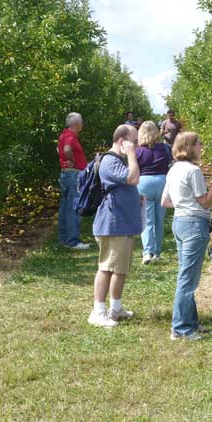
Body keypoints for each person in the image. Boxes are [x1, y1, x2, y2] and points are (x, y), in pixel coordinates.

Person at [162, 132, 212, 341]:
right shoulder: (193, 171)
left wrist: (184, 203)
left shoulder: (173, 170)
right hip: (193, 225)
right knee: (188, 279)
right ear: (189, 146)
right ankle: (180, 328)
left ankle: (190, 322)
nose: (201, 147)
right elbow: (206, 202)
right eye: (199, 144)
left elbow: (165, 201)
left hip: (179, 223)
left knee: (186, 274)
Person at [88, 125, 142, 328]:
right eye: (134, 142)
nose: (136, 146)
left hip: (123, 224)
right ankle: (98, 311)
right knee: (107, 268)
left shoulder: (118, 160)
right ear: (122, 141)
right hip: (112, 224)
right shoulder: (110, 161)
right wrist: (131, 154)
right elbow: (133, 178)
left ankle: (116, 307)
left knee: (120, 269)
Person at [136, 121, 172, 265]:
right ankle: (157, 252)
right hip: (163, 182)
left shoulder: (138, 151)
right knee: (159, 220)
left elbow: (134, 169)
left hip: (144, 183)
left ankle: (147, 252)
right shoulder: (164, 147)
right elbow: (171, 163)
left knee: (147, 220)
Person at [57, 112, 90, 250]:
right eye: (81, 122)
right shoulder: (70, 136)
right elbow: (66, 149)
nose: (82, 125)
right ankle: (73, 241)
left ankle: (64, 238)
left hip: (66, 175)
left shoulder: (63, 135)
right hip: (73, 175)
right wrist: (72, 160)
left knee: (65, 206)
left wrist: (65, 161)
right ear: (76, 124)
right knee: (74, 207)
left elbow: (59, 149)